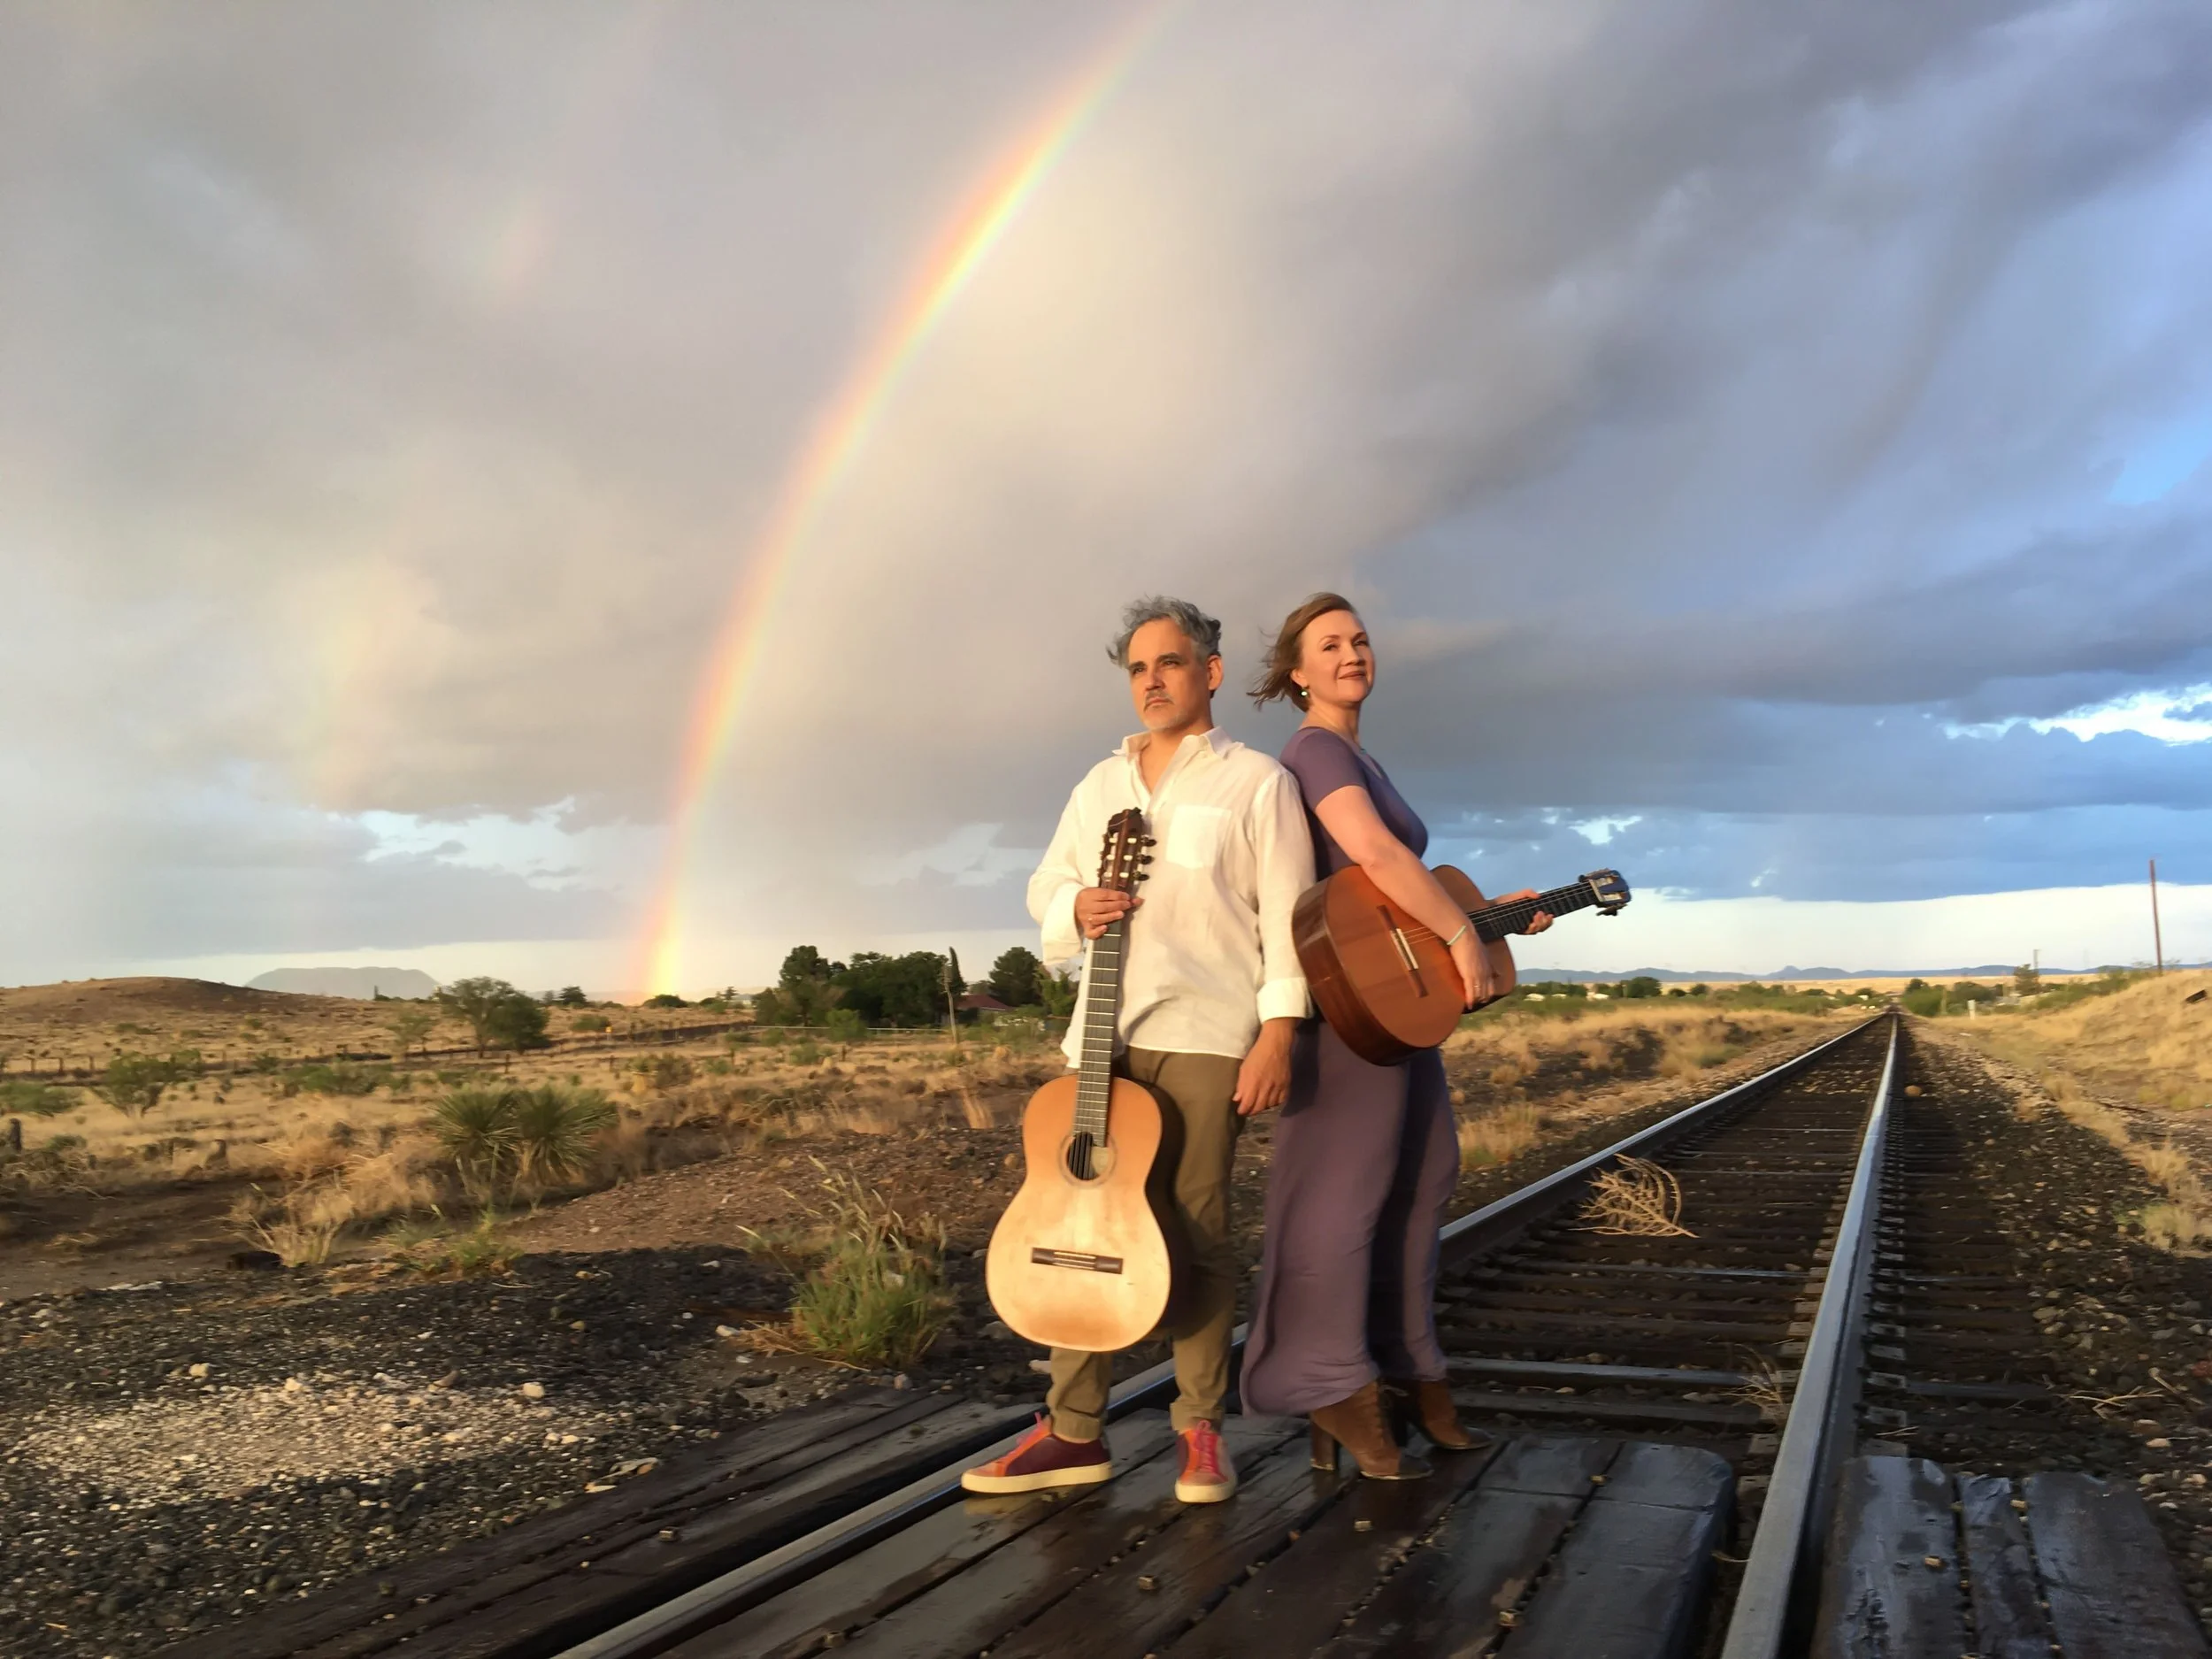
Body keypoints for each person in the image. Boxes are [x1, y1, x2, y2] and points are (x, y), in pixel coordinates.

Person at [962, 596, 1315, 1505]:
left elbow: (1288, 918)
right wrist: (1070, 908)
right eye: (1137, 668)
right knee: (1077, 1220)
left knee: (1195, 1231)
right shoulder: (1099, 785)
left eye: (1169, 663)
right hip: (1101, 1039)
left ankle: (1199, 1428)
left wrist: (1278, 1031)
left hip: (1205, 1034)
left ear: (1209, 672)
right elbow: (1047, 880)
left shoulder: (1255, 783)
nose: (1152, 681)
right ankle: (1071, 1429)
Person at [1239, 593, 1551, 1479]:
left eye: (1360, 640)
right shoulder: (1313, 750)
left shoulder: (1360, 754)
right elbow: (1372, 855)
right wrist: (1459, 934)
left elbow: (1395, 891)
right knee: (1342, 1201)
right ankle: (1328, 1385)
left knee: (1421, 1181)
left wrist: (1488, 918)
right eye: (1328, 645)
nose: (1351, 654)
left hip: (1395, 1008)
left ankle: (1406, 1366)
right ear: (1296, 672)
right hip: (1346, 1016)